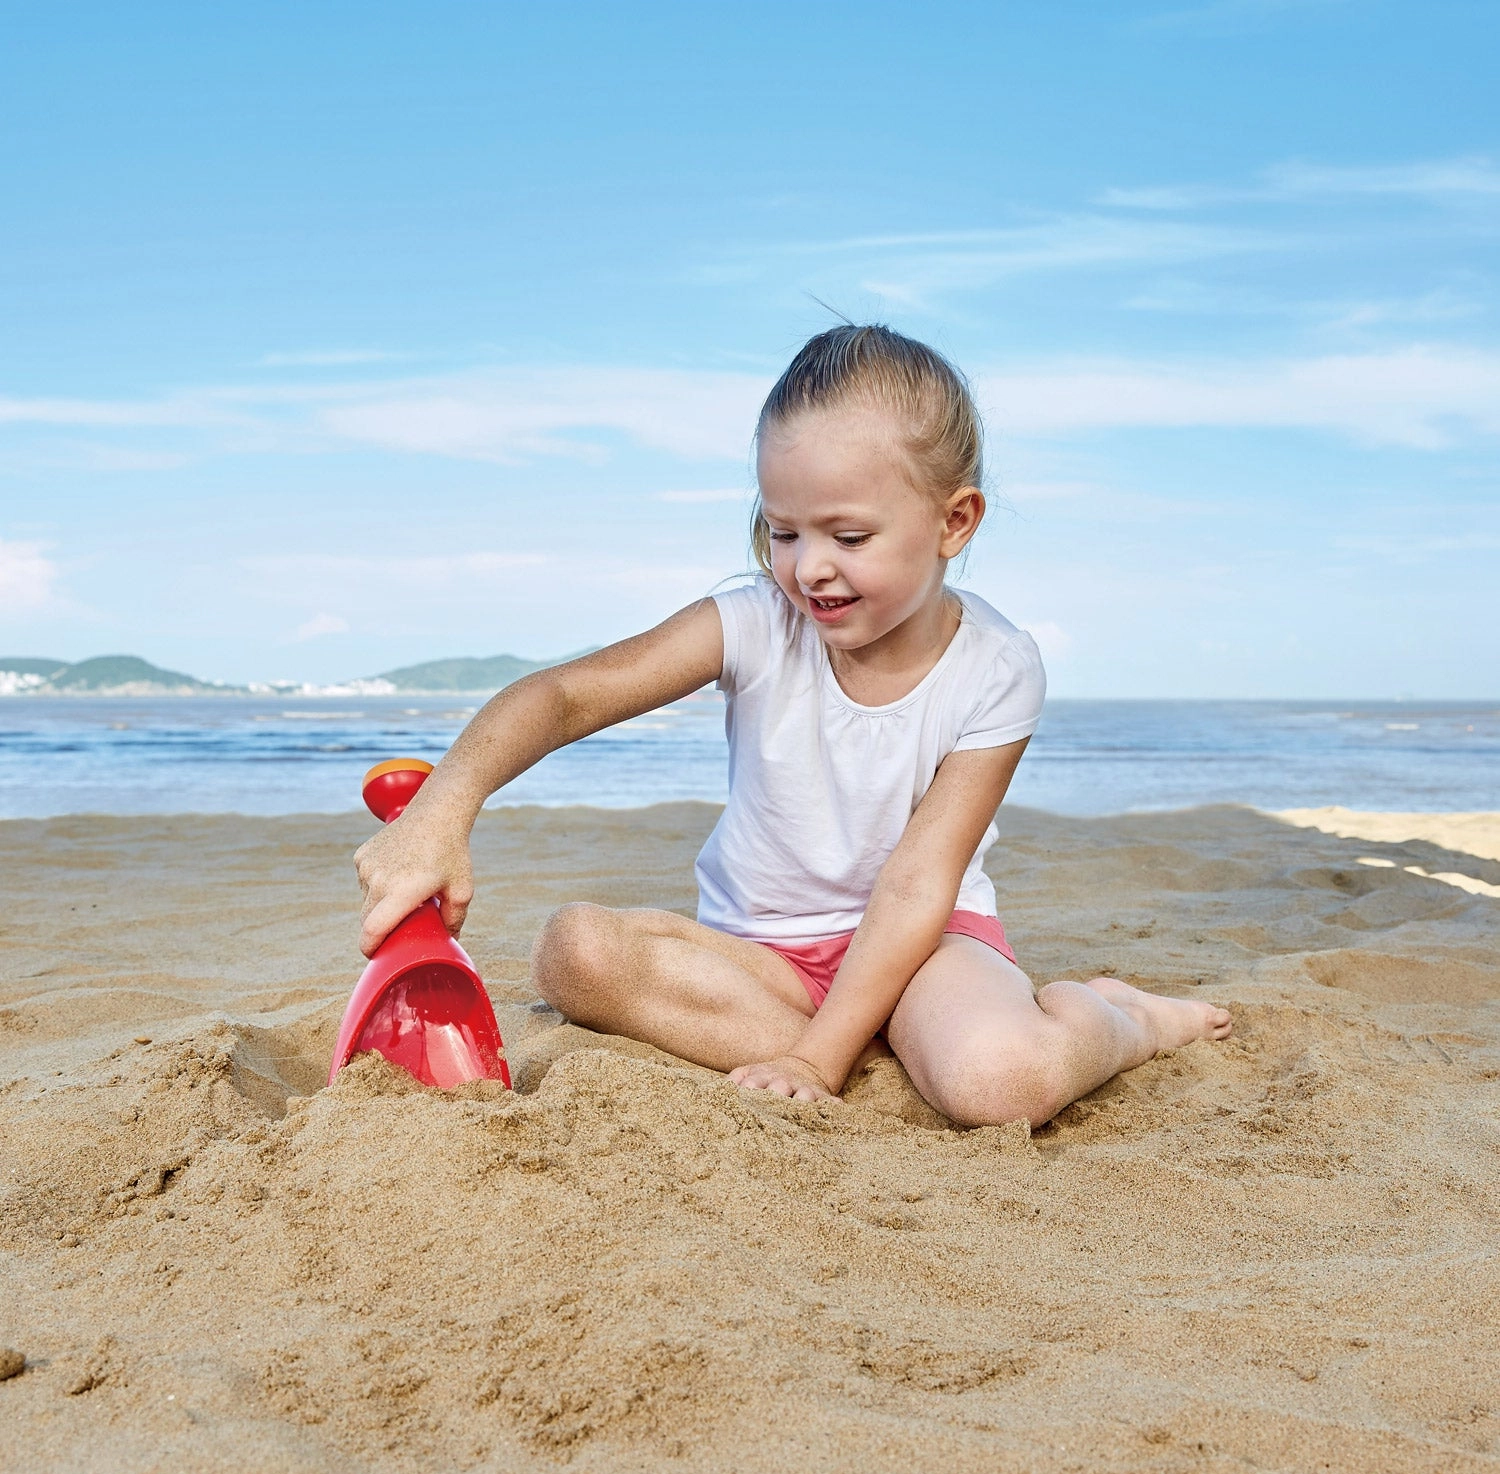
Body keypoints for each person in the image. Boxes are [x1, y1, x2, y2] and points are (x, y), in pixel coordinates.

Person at [354, 325, 1232, 1125]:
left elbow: (917, 883)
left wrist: (815, 1057)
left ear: (953, 521)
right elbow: (568, 696)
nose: (809, 569)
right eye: (782, 533)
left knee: (999, 1085)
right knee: (574, 953)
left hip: (928, 948)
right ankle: (880, 1044)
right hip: (765, 963)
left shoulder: (997, 665)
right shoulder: (753, 621)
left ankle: (1125, 1020)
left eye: (849, 536)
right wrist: (444, 806)